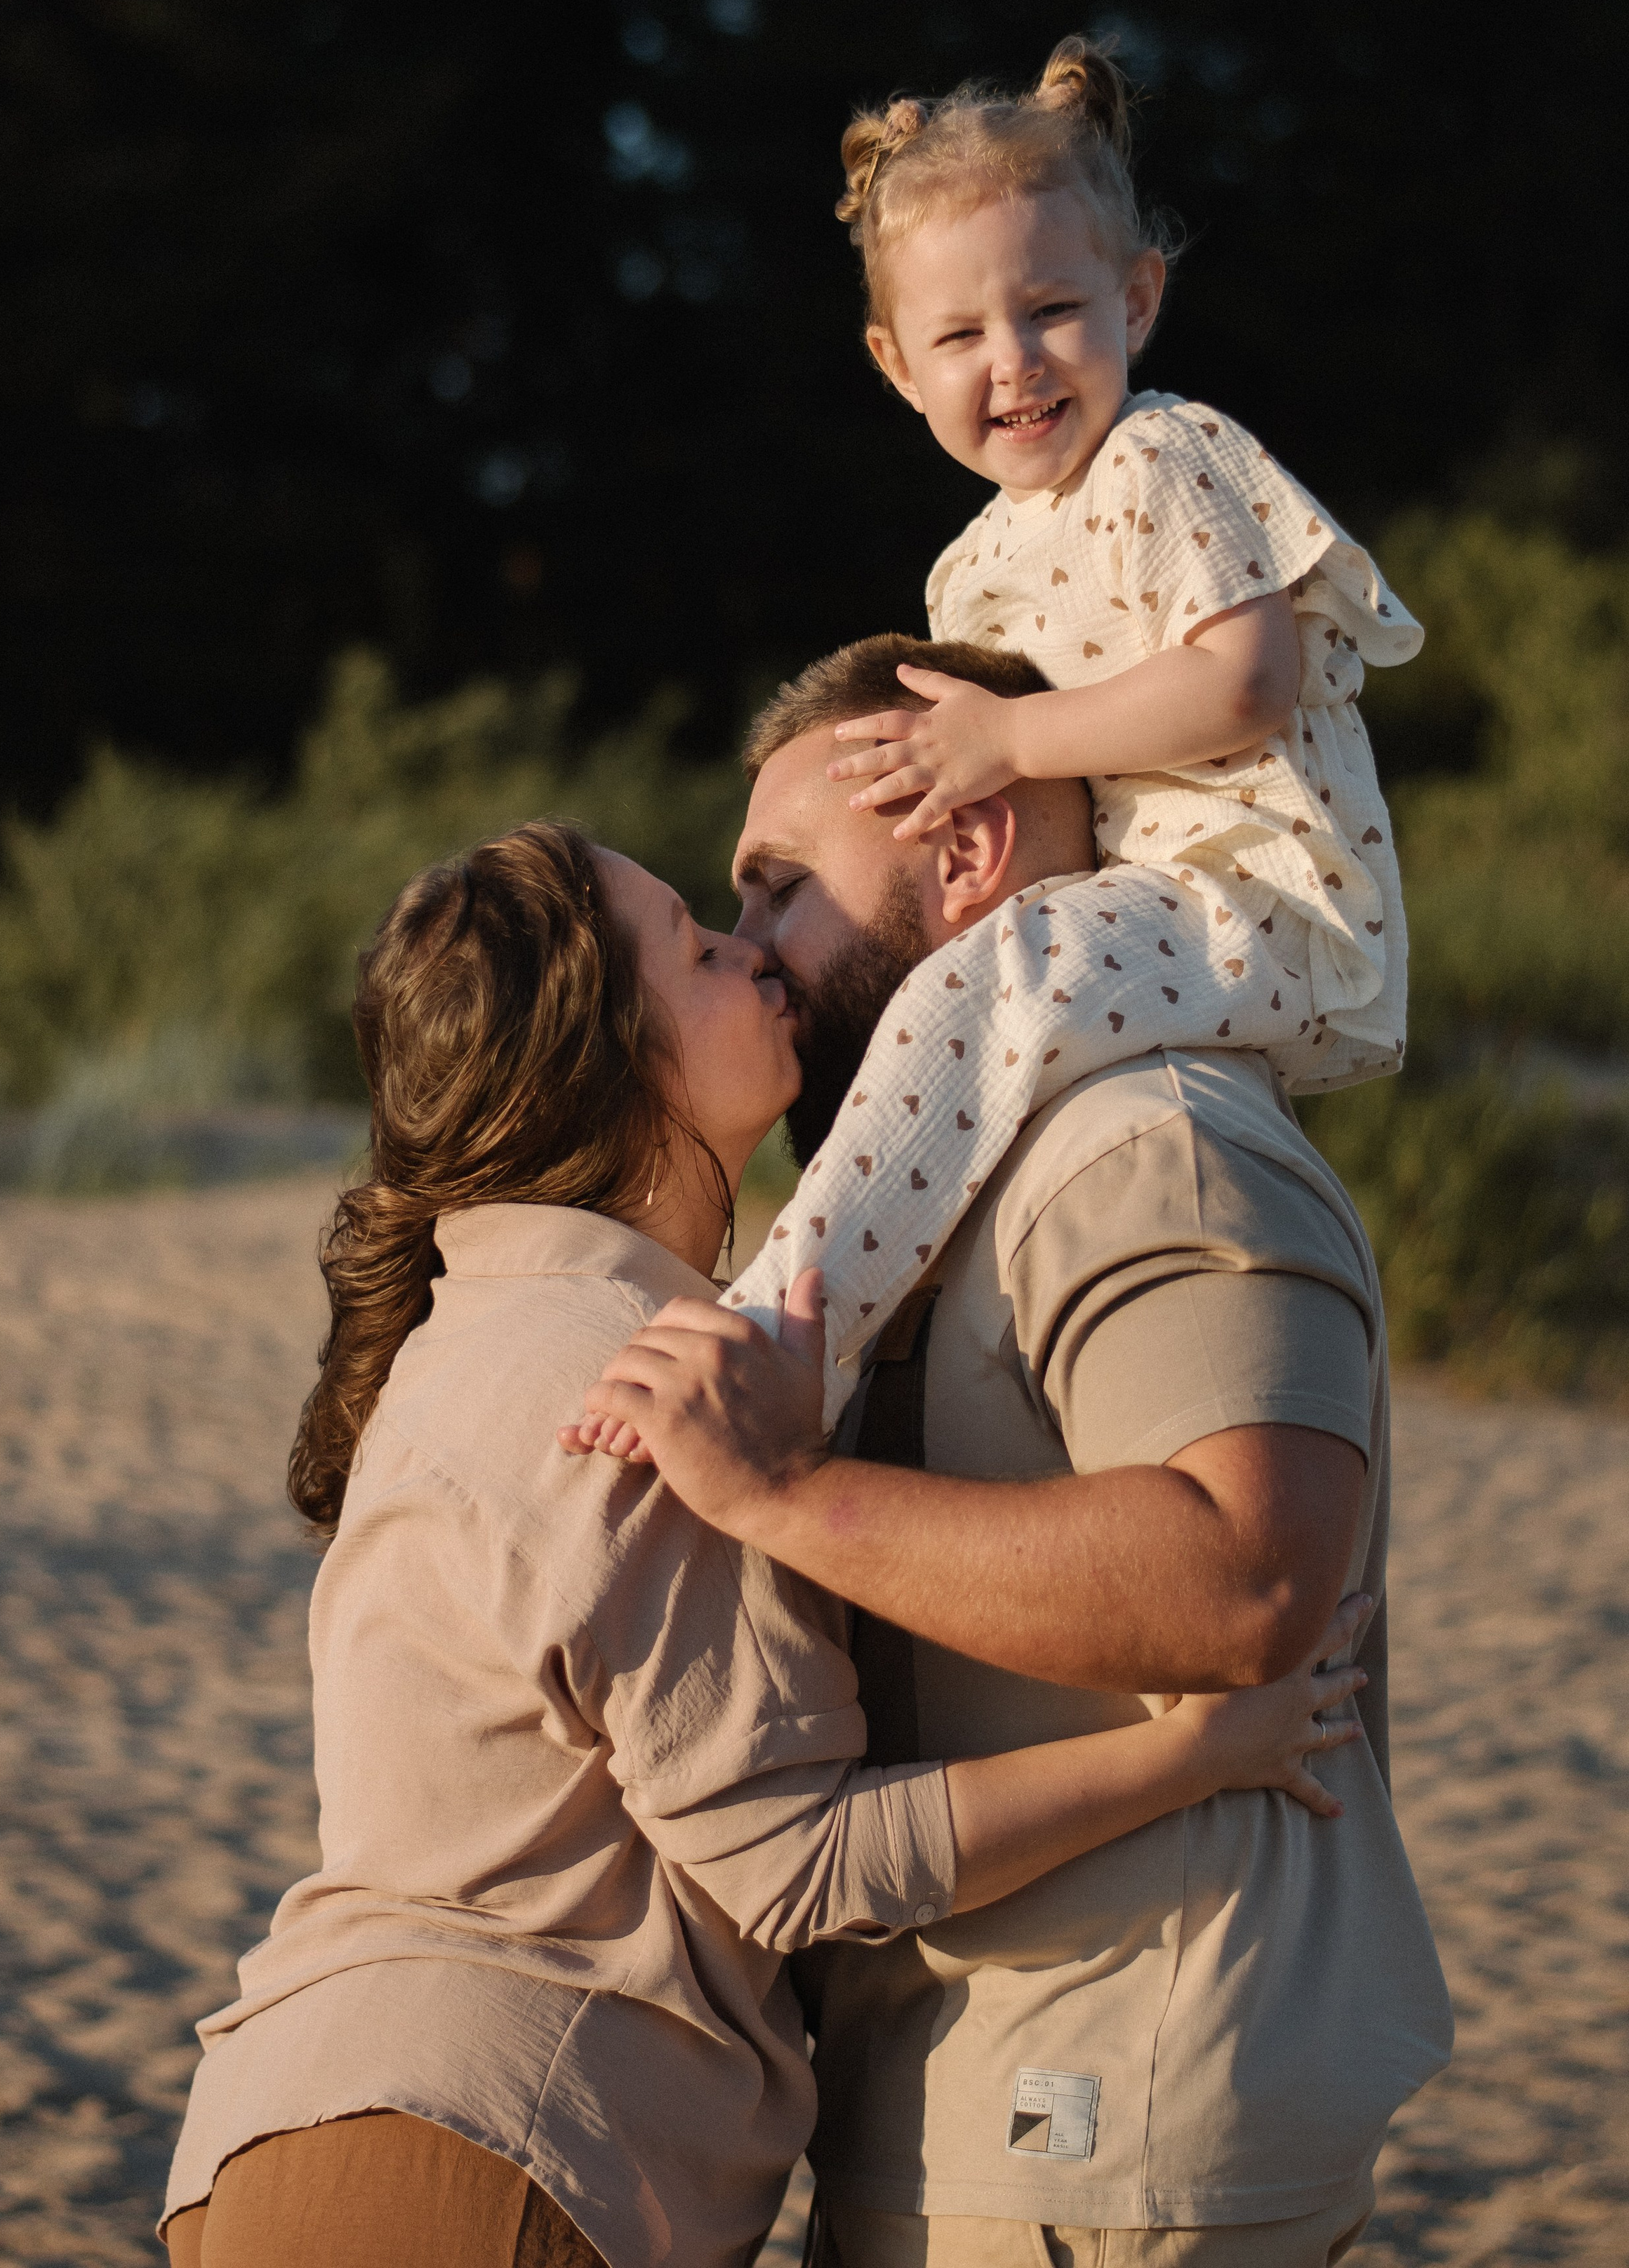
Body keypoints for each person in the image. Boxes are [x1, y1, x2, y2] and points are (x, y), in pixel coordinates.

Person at [159, 818, 1367, 2268]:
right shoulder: (639, 1388)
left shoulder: (470, 1334)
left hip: (293, 2131)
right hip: (480, 2160)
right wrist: (1194, 1752)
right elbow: (800, 1863)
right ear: (615, 1062)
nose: (750, 955)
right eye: (696, 947)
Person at [570, 646, 1454, 2268]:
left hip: (1104, 2111)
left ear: (967, 846)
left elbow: (1247, 1575)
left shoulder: (1140, 1144)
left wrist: (780, 1495)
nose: (751, 950)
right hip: (996, 2110)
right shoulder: (933, 1185)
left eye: (779, 890)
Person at [718, 37, 1424, 1401]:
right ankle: (855, 1305)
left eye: (1051, 309)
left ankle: (782, 1320)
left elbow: (1246, 679)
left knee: (978, 985)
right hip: (1130, 899)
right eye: (960, 336)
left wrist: (1008, 743)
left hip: (1245, 890)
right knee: (957, 987)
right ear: (892, 363)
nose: (1015, 363)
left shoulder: (1163, 455)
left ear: (1135, 299)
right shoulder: (971, 564)